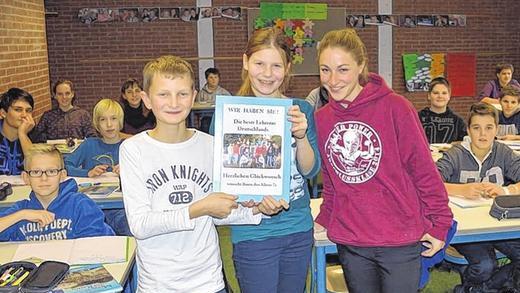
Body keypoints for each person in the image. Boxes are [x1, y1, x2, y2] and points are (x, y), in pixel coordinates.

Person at [119, 55, 285, 292]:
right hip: (160, 284)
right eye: (163, 94)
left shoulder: (211, 145)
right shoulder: (133, 150)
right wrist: (200, 207)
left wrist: (257, 208)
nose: (174, 102)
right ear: (146, 99)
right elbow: (141, 224)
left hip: (208, 280)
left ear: (194, 96)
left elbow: (217, 212)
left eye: (182, 94)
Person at [313, 28, 453, 293]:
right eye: (325, 70)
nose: (333, 80)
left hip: (399, 239)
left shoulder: (396, 107)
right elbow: (333, 181)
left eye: (342, 69)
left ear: (361, 66)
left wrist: (440, 223)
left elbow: (423, 171)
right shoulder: (322, 119)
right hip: (352, 241)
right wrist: (324, 216)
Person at [210, 27, 320, 293]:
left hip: (297, 228)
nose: (268, 74)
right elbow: (221, 179)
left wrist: (302, 136)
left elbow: (311, 170)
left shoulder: (301, 109)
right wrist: (244, 199)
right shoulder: (230, 113)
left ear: (287, 68)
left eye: (276, 65)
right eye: (259, 63)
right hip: (253, 232)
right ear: (246, 62)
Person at [436, 102, 520, 292]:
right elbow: (430, 183)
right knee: (485, 266)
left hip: (498, 224)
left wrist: (506, 191)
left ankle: (475, 289)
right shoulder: (455, 154)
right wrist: (460, 190)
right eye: (477, 128)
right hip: (468, 228)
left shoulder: (503, 152)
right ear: (468, 130)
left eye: (489, 128)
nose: (483, 134)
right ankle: (489, 286)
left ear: (496, 129)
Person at [0, 145, 114, 241]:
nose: (44, 178)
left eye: (51, 171)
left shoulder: (80, 205)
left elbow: (96, 245)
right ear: (26, 178)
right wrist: (21, 215)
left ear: (62, 175)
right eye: (36, 172)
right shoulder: (21, 209)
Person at [64, 99, 130, 236]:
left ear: (121, 121)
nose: (109, 124)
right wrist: (87, 172)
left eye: (113, 118)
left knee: (127, 226)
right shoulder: (89, 145)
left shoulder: (131, 146)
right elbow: (64, 166)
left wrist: (129, 171)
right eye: (103, 120)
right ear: (96, 124)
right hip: (91, 208)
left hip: (122, 207)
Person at [32, 80, 97, 142]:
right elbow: (37, 138)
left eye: (67, 93)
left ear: (72, 94)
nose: (64, 97)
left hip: (79, 152)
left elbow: (92, 137)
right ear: (55, 96)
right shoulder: (47, 116)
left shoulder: (83, 115)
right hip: (54, 152)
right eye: (60, 94)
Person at [418, 77, 467, 143]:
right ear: (429, 96)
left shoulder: (457, 121)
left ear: (449, 96)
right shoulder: (418, 118)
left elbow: (466, 142)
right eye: (436, 93)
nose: (440, 96)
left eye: (444, 93)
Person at [0, 88, 35, 175]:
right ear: (3, 113)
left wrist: (23, 135)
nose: (24, 115)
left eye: (28, 111)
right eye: (18, 110)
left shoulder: (35, 134)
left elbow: (36, 168)